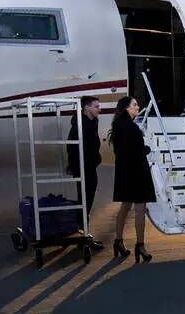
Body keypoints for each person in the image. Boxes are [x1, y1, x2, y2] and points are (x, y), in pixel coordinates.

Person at [110, 96, 157, 262]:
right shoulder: (131, 127)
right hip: (137, 173)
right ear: (126, 108)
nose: (138, 107)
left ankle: (118, 241)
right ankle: (140, 245)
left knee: (125, 206)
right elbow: (138, 150)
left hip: (124, 173)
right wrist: (148, 148)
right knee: (140, 210)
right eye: (135, 105)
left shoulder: (117, 125)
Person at [67, 95, 103, 250]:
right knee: (85, 199)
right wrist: (75, 165)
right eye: (96, 106)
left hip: (90, 166)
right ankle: (83, 235)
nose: (99, 109)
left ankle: (82, 231)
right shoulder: (80, 124)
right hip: (83, 167)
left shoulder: (92, 121)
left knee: (87, 199)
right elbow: (72, 145)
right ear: (86, 107)